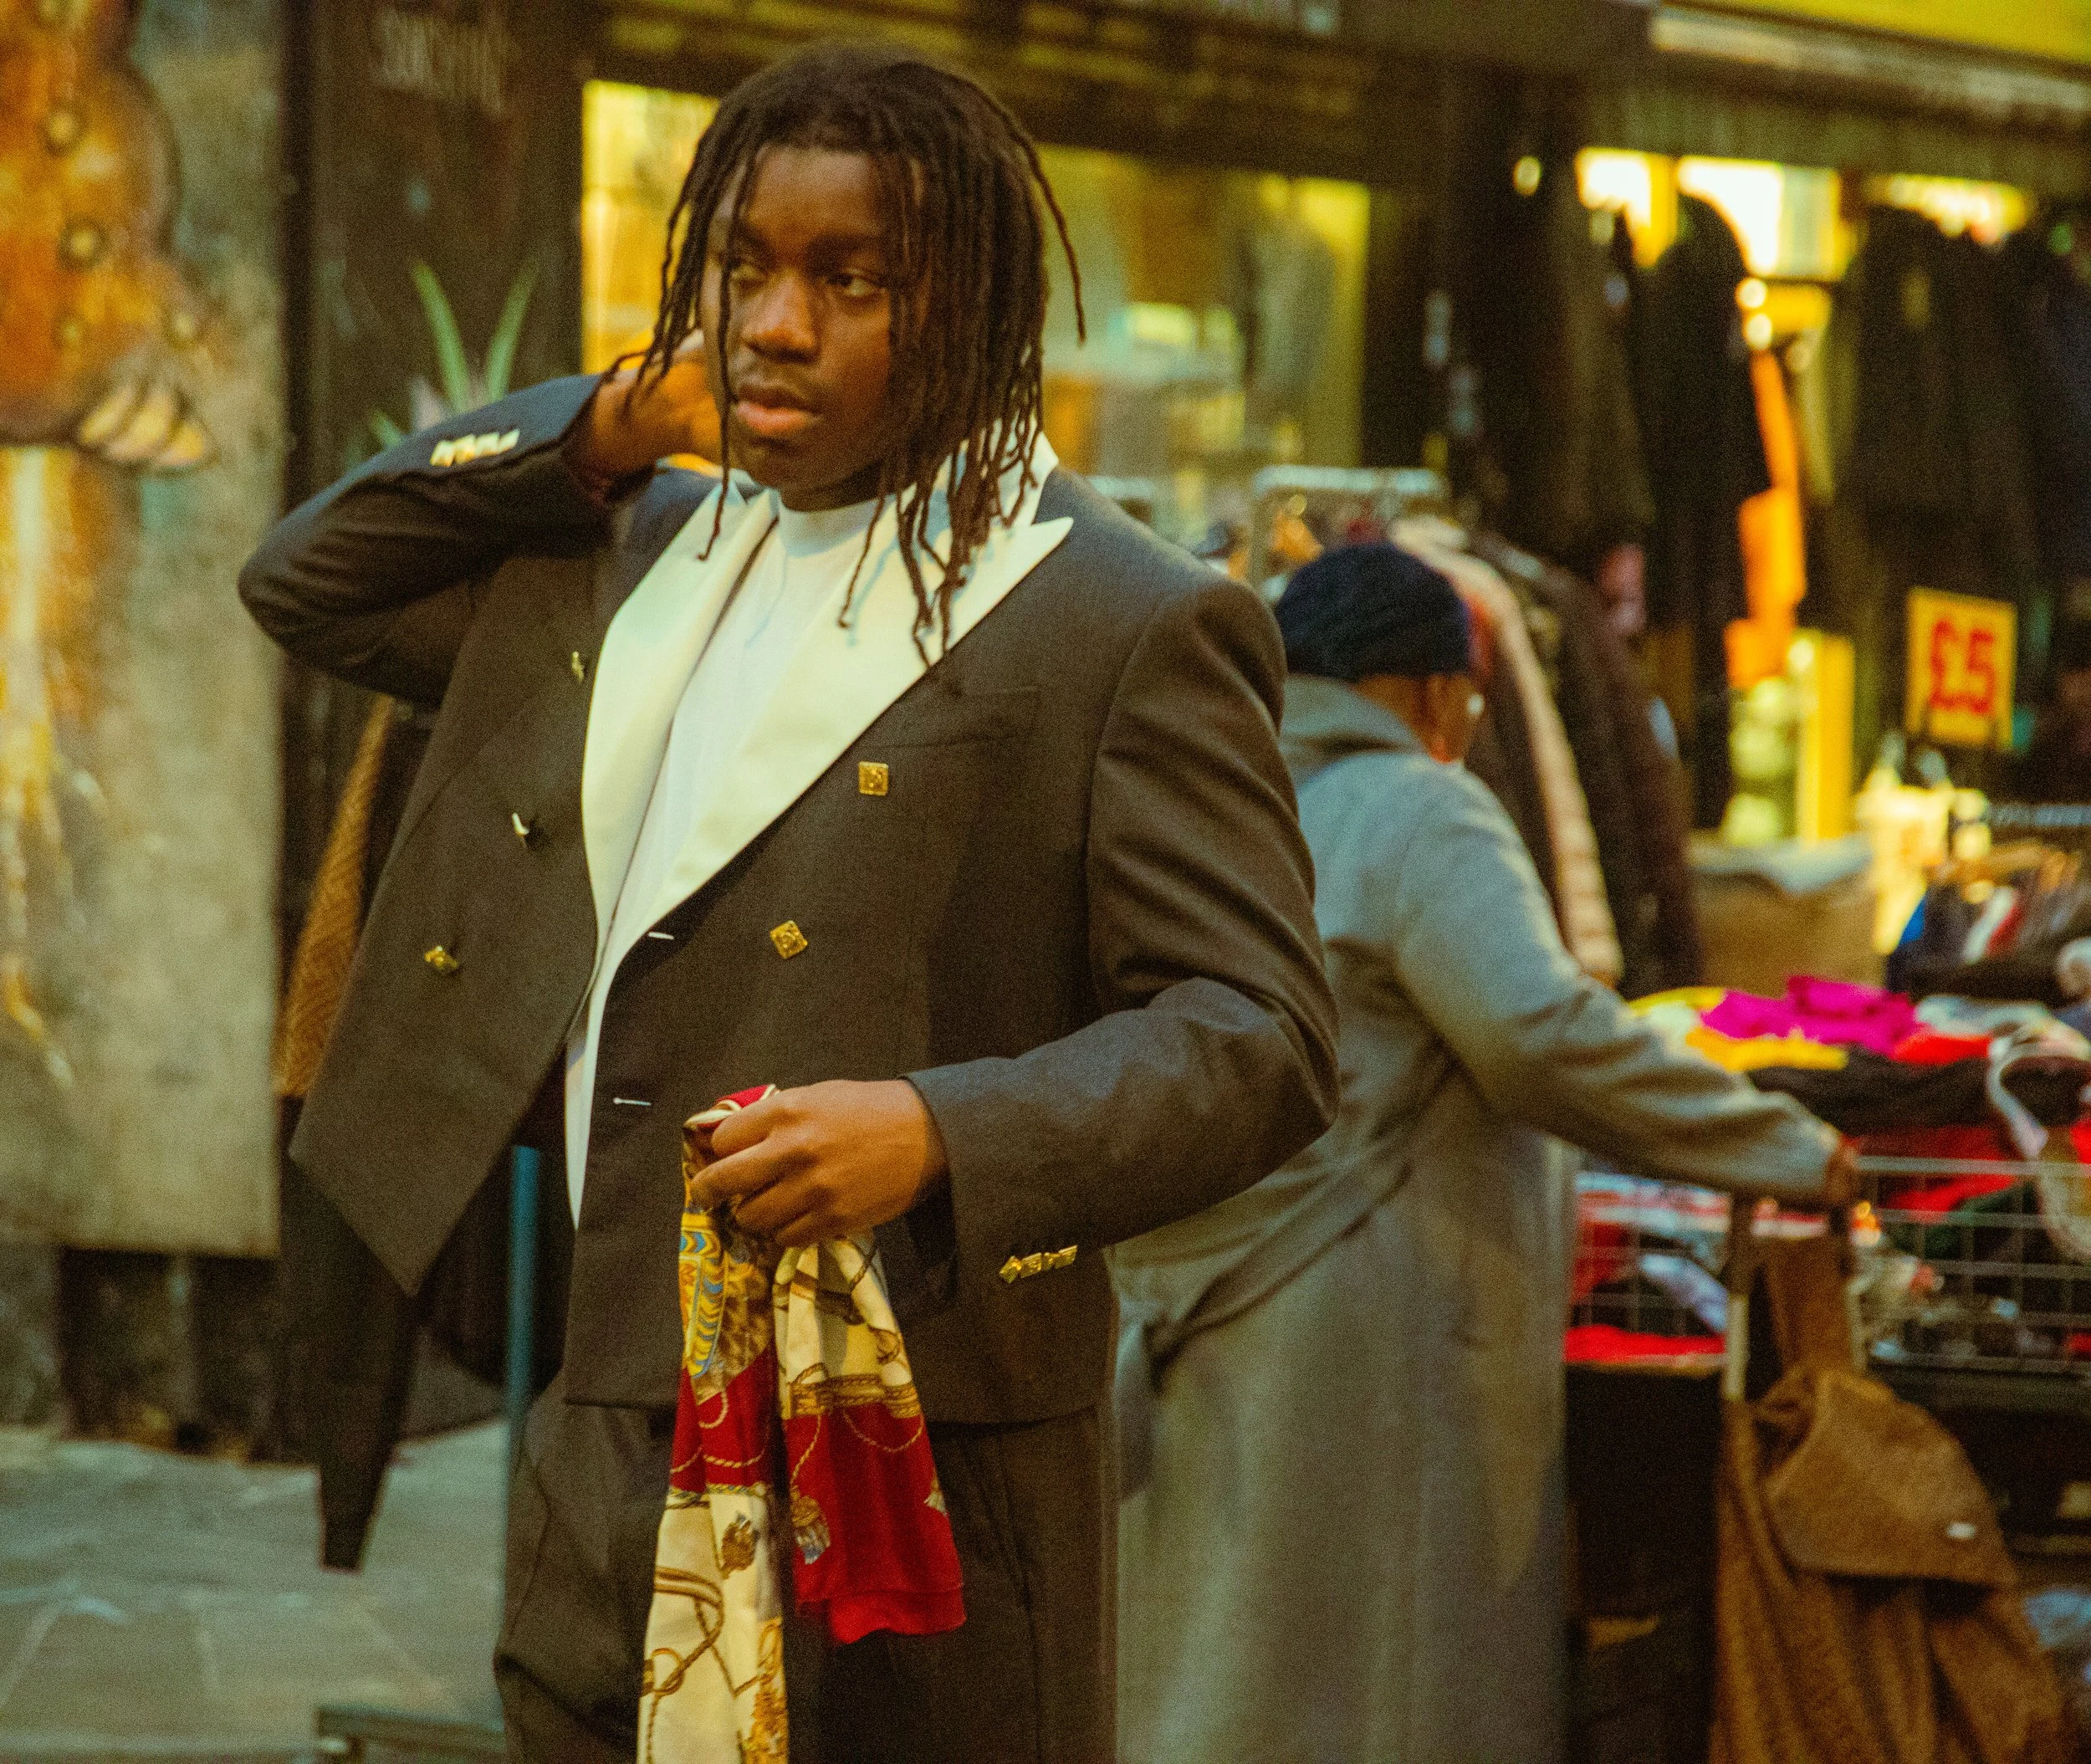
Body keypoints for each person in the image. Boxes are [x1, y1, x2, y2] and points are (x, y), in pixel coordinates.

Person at [238, 43, 1337, 1763]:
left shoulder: (1114, 617)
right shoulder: (635, 551)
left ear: (962, 302)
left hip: (919, 1457)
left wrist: (941, 1128)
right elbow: (306, 575)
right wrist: (598, 423)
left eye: (849, 280)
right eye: (744, 266)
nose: (770, 320)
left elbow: (1260, 1038)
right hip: (610, 1420)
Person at [1112, 542, 1852, 1764]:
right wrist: (1781, 1144)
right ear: (1434, 694)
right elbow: (1538, 1034)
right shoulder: (1423, 805)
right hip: (1364, 1331)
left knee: (1210, 1688)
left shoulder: (1200, 799)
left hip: (1184, 1316)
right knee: (1379, 1700)